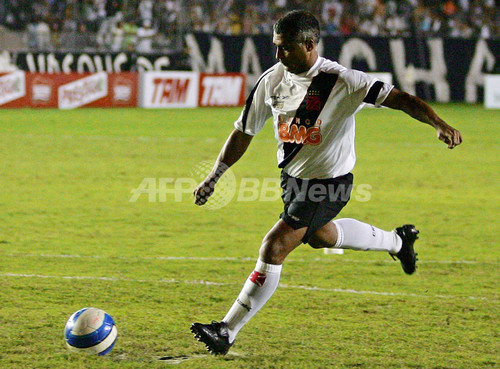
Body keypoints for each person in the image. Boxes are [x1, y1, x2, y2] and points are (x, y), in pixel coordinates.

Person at [190, 10, 462, 355]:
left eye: (286, 48)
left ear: (309, 45)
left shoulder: (342, 80)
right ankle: (398, 241)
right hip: (293, 180)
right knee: (320, 237)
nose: (278, 55)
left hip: (330, 183)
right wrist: (216, 174)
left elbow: (401, 99)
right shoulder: (271, 80)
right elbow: (243, 131)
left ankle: (226, 331)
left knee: (274, 246)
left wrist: (437, 123)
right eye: (276, 47)